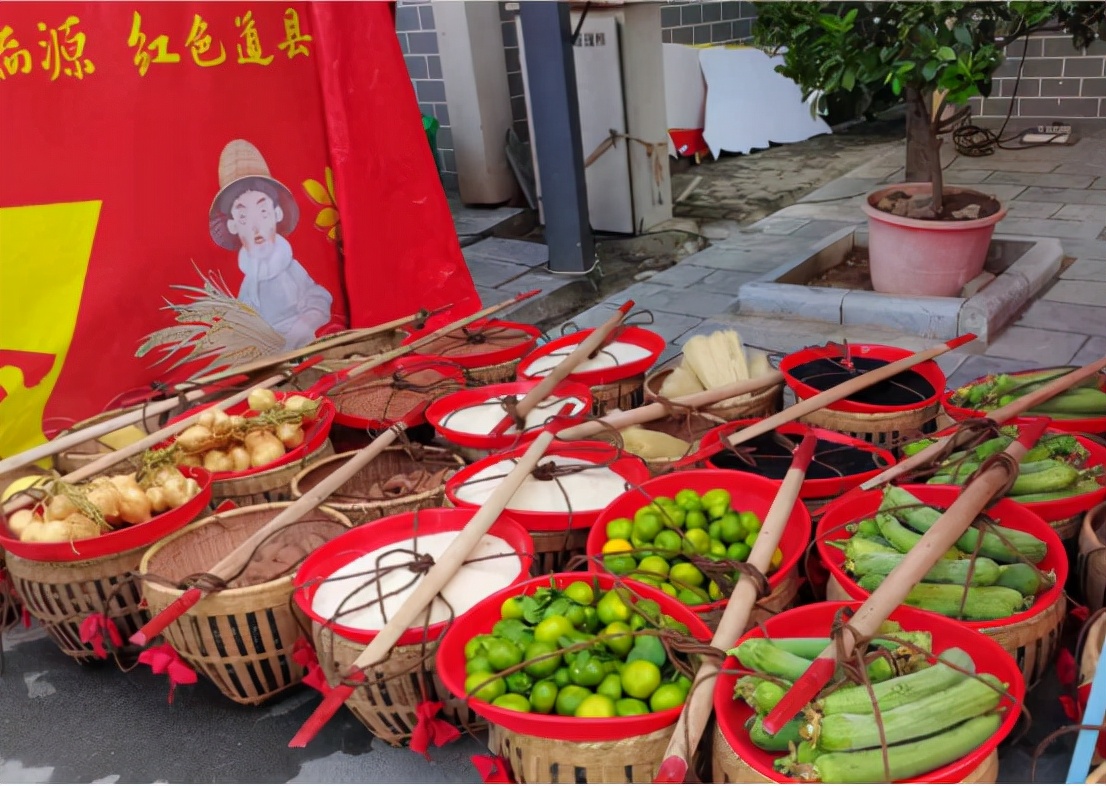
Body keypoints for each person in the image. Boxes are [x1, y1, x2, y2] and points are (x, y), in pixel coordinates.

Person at [208, 139, 333, 350]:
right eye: (244, 217)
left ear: (277, 214)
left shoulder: (290, 271)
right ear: (233, 226)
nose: (256, 227)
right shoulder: (248, 288)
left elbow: (318, 298)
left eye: (263, 212)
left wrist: (301, 329)